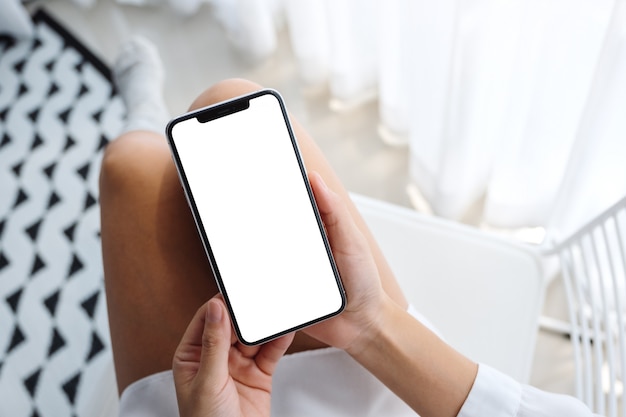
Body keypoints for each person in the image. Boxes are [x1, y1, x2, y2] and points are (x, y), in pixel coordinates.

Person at [100, 37, 600, 417]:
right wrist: (372, 324)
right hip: (400, 391)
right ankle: (142, 116)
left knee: (127, 165)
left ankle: (138, 112)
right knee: (225, 103)